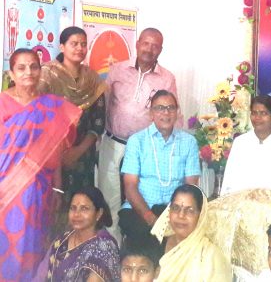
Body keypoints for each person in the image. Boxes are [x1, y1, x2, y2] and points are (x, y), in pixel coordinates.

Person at [0, 48, 81, 281]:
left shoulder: (51, 106)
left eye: (34, 67)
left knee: (34, 244)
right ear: (11, 73)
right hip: (6, 190)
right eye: (21, 68)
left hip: (39, 189)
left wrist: (57, 187)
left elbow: (52, 151)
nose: (29, 72)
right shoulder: (2, 103)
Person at [97, 27, 179, 241]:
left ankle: (136, 249)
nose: (149, 49)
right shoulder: (117, 70)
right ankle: (112, 250)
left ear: (160, 50)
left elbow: (171, 113)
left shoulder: (167, 78)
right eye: (146, 43)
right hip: (113, 143)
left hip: (145, 149)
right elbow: (102, 102)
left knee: (138, 199)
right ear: (137, 43)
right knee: (110, 198)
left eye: (155, 46)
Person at [119, 90, 200, 246]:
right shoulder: (136, 141)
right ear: (151, 113)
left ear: (177, 113)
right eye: (160, 108)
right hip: (141, 210)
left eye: (171, 108)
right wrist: (151, 218)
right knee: (145, 239)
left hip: (175, 211)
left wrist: (177, 216)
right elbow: (130, 187)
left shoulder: (189, 142)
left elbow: (191, 188)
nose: (166, 112)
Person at [38, 26, 106, 201]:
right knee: (53, 204)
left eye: (83, 44)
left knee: (82, 204)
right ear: (62, 47)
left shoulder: (92, 79)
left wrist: (78, 151)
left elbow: (98, 121)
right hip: (50, 154)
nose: (79, 48)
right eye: (74, 44)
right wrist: (59, 153)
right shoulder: (46, 75)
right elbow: (38, 117)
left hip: (84, 155)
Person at [151, 184, 232, 281]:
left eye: (190, 210)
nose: (181, 215)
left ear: (201, 215)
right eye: (176, 208)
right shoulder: (157, 243)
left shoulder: (211, 256)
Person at [42, 186, 120, 281]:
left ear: (99, 213)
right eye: (73, 208)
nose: (76, 214)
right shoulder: (61, 241)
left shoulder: (104, 247)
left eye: (84, 209)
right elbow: (40, 276)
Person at [221, 95, 271, 195]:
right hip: (242, 204)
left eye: (263, 113)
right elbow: (229, 179)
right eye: (254, 113)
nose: (258, 118)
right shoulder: (240, 143)